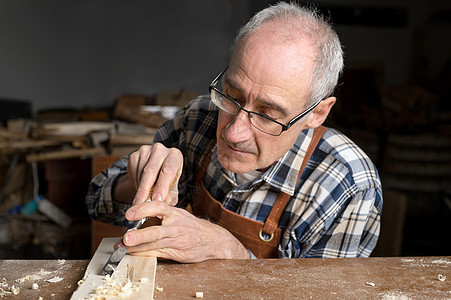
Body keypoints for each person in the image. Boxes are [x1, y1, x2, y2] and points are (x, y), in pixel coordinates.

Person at [86, 2, 382, 262]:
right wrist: (134, 182)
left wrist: (233, 253)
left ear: (316, 113)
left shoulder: (349, 184)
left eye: (267, 115)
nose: (233, 132)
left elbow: (319, 295)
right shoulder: (197, 120)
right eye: (233, 96)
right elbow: (95, 201)